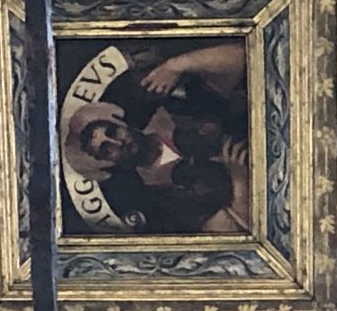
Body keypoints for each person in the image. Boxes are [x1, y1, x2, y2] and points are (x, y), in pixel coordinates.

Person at [62, 43, 250, 235]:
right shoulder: (155, 198)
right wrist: (240, 184)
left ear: (121, 123)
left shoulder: (180, 111)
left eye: (112, 132)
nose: (118, 143)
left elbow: (242, 59)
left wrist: (175, 66)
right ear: (104, 163)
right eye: (106, 149)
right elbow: (226, 235)